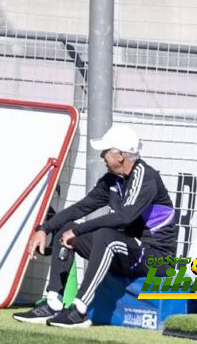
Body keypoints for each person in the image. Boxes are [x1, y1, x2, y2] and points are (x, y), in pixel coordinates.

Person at [13, 124, 177, 328]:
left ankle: (79, 311)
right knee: (67, 229)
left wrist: (80, 229)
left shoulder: (145, 177)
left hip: (157, 259)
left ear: (121, 156)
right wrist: (43, 229)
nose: (101, 156)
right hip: (128, 252)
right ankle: (53, 303)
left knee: (106, 236)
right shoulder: (112, 180)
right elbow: (81, 208)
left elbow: (124, 217)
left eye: (106, 151)